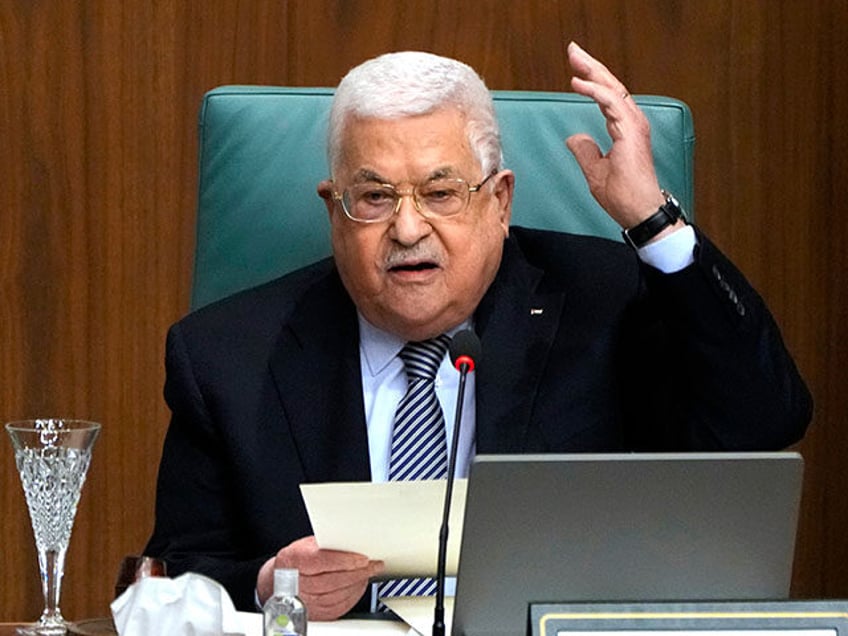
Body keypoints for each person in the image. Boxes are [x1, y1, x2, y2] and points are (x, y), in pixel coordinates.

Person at [144, 42, 812, 620]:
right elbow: (174, 575)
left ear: (499, 201)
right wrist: (269, 586)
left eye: (441, 193)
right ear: (335, 209)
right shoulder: (226, 357)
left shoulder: (606, 304)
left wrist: (653, 224)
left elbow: (763, 420)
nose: (407, 230)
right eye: (374, 197)